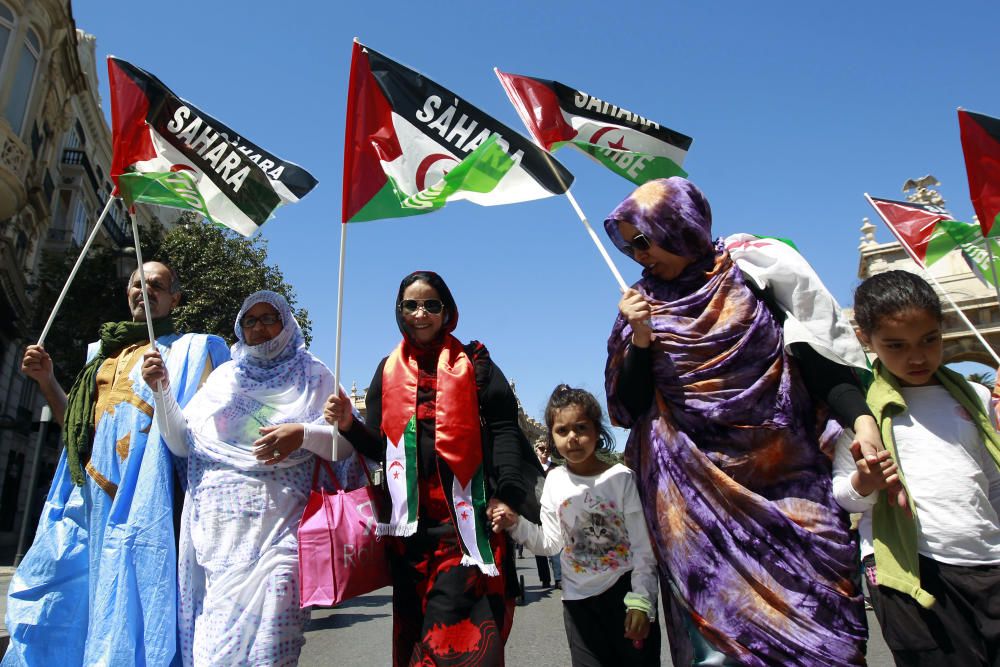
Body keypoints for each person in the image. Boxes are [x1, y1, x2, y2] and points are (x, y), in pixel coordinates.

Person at [604, 177, 881, 665]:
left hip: (792, 490)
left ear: (680, 227)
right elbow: (628, 407)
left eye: (643, 240)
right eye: (629, 246)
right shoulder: (638, 306)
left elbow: (815, 359)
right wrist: (640, 339)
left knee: (824, 639)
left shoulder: (754, 274)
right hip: (696, 508)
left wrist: (861, 420)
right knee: (722, 653)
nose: (638, 255)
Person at [4, 261, 230, 667]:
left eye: (156, 285)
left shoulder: (193, 350)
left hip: (150, 510)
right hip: (85, 503)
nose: (144, 291)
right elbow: (75, 426)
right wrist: (47, 380)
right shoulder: (101, 357)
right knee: (55, 602)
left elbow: (199, 439)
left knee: (135, 616)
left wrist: (164, 388)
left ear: (174, 298)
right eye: (136, 284)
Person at [324, 270, 539, 666]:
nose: (421, 313)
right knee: (420, 640)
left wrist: (507, 494)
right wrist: (349, 426)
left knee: (455, 642)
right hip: (411, 534)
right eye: (411, 305)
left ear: (447, 311)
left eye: (431, 305)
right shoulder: (387, 369)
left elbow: (506, 429)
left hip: (467, 525)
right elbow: (381, 449)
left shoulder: (476, 363)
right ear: (399, 311)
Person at [140, 289, 355, 666]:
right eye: (250, 321)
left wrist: (302, 434)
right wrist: (161, 391)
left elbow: (346, 447)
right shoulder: (223, 379)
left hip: (283, 536)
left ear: (286, 323)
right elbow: (181, 444)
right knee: (215, 655)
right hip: (219, 543)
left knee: (271, 650)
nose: (259, 328)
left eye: (268, 318)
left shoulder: (315, 375)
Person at [835, 270, 1000, 666]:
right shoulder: (860, 413)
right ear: (865, 338)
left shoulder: (975, 397)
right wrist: (865, 481)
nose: (917, 357)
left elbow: (992, 482)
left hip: (987, 562)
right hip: (909, 572)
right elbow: (845, 496)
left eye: (930, 340)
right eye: (896, 345)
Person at [493, 385, 660, 666]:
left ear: (597, 431)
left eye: (581, 428)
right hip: (578, 603)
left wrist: (641, 600)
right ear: (552, 436)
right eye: (562, 431)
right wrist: (516, 524)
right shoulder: (555, 481)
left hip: (624, 594)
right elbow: (550, 543)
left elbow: (643, 547)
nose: (572, 438)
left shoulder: (621, 479)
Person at [532, 441, 562, 589]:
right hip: (536, 511)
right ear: (536, 450)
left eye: (547, 449)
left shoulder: (556, 468)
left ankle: (558, 578)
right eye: (541, 449)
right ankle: (544, 578)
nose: (545, 452)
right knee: (540, 545)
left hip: (554, 511)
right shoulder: (531, 468)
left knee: (556, 544)